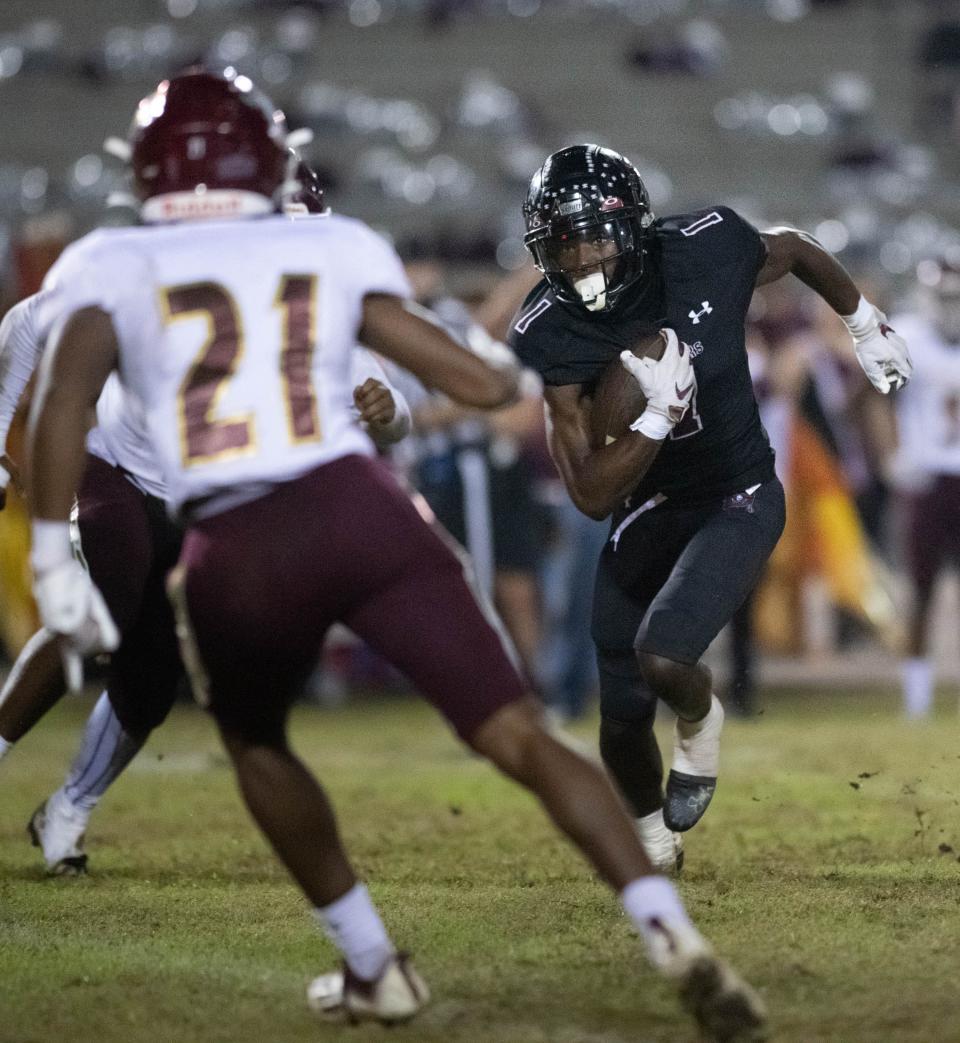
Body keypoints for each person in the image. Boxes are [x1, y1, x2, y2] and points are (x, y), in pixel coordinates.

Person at [24, 69, 767, 1040]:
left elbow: (61, 407)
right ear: (263, 156)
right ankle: (673, 934)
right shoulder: (327, 243)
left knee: (256, 742)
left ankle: (374, 961)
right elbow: (475, 374)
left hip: (236, 537)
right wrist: (515, 366)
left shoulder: (108, 264)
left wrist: (48, 554)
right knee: (518, 735)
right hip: (362, 507)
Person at [509, 144, 912, 872]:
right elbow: (593, 495)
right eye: (561, 244)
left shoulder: (707, 249)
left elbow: (794, 248)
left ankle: (701, 720)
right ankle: (655, 841)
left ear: (633, 228)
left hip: (738, 491)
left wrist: (860, 319)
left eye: (593, 236)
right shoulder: (550, 330)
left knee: (663, 656)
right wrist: (656, 417)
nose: (579, 259)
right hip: (647, 503)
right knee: (622, 707)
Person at [0, 275, 411, 875]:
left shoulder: (315, 322)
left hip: (203, 508)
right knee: (102, 605)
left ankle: (67, 810)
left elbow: (393, 412)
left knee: (152, 679)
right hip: (117, 468)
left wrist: (390, 409)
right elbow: (27, 322)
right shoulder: (167, 265)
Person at [886, 256, 960, 718]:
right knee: (921, 589)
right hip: (926, 476)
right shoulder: (908, 336)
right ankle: (917, 699)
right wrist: (889, 455)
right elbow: (868, 399)